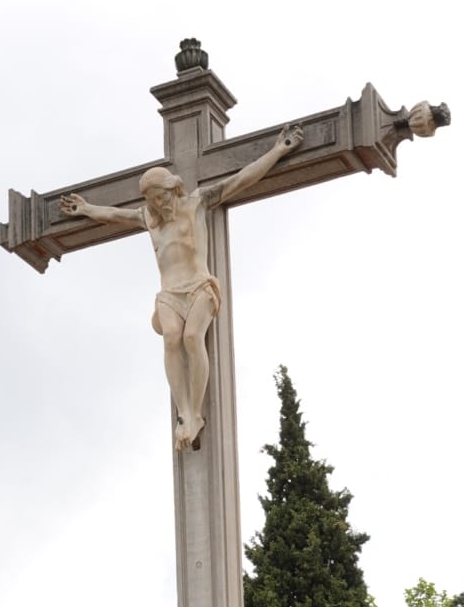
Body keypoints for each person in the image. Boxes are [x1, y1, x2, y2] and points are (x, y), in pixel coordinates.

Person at [59, 125, 303, 450]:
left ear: (172, 189)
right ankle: (185, 412)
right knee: (172, 338)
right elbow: (116, 215)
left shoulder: (197, 203)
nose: (159, 206)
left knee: (191, 337)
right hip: (170, 294)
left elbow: (241, 179)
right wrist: (87, 209)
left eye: (161, 198)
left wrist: (278, 151)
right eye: (153, 202)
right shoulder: (149, 218)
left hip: (199, 286)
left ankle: (196, 413)